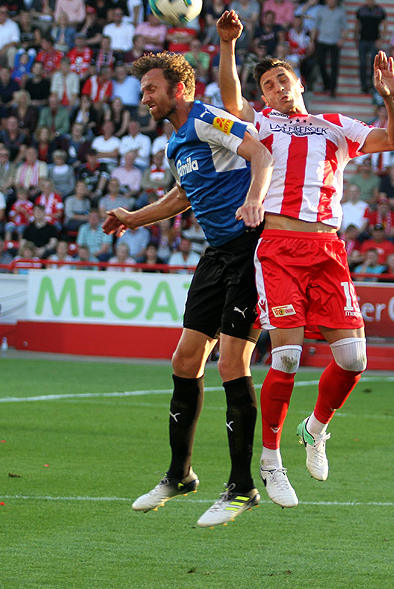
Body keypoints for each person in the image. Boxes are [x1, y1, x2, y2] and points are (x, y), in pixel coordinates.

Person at [217, 10, 394, 507]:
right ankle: (271, 461)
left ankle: (316, 428)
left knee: (354, 359)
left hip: (327, 250)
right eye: (268, 85)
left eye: (283, 79)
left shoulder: (335, 126)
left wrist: (390, 99)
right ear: (264, 97)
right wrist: (228, 45)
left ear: (298, 83)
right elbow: (229, 99)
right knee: (287, 355)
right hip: (279, 249)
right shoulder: (261, 123)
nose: (277, 88)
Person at [102, 51, 273, 529]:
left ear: (178, 89)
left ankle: (242, 488)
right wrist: (132, 217)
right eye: (143, 90)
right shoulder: (176, 143)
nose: (144, 98)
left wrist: (255, 200)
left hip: (250, 249)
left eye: (151, 89)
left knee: (233, 363)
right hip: (217, 254)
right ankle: (180, 475)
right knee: (185, 360)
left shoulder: (206, 117)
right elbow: (182, 196)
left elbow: (261, 153)